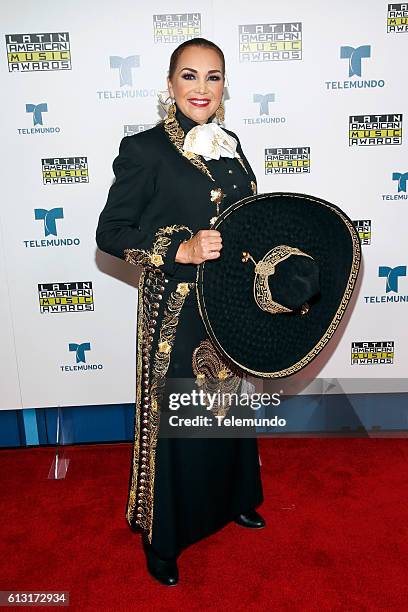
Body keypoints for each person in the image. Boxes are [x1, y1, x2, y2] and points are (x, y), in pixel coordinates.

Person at [96, 37, 264, 586]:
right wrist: (179, 249)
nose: (201, 88)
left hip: (229, 304)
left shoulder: (231, 142)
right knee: (177, 420)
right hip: (177, 310)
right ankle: (163, 537)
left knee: (227, 406)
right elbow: (111, 233)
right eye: (189, 76)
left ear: (223, 87)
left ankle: (232, 500)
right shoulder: (144, 149)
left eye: (213, 77)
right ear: (170, 85)